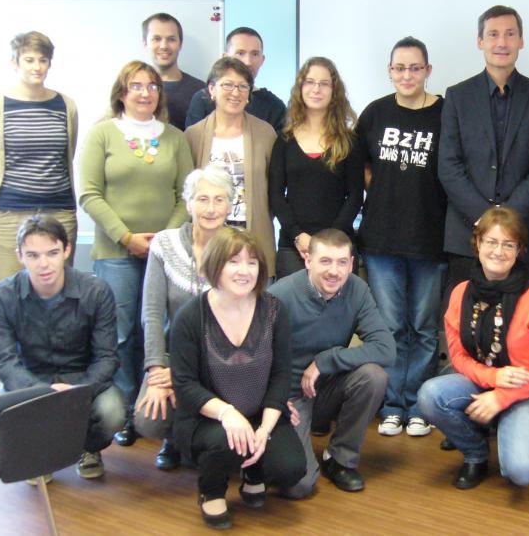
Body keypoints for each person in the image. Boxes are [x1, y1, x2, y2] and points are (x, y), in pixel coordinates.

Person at [78, 60, 194, 448]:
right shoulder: (102, 134)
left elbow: (185, 195)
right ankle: (129, 410)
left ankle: (164, 420)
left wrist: (162, 239)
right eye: (135, 86)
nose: (144, 93)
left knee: (162, 330)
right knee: (124, 334)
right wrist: (126, 237)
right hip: (115, 251)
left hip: (167, 251)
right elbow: (89, 194)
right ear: (121, 92)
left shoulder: (175, 138)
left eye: (151, 86)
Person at [419, 207, 529, 490]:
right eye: (491, 242)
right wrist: (494, 380)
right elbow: (458, 355)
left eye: (508, 244)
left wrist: (501, 397)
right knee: (430, 395)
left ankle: (511, 426)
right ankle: (476, 453)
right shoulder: (461, 293)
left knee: (520, 472)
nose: (499, 251)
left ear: (519, 250)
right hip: (482, 382)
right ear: (478, 244)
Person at [170, 227, 306, 530]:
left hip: (260, 412)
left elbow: (282, 373)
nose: (244, 271)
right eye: (234, 262)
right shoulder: (191, 317)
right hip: (208, 419)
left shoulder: (273, 309)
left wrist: (266, 428)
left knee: (291, 468)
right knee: (227, 440)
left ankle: (252, 471)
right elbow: (185, 385)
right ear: (215, 265)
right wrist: (228, 413)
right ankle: (211, 490)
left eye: (252, 262)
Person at [355, 36, 448, 438]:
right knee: (391, 327)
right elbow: (360, 166)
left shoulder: (446, 113)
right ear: (390, 71)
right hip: (381, 240)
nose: (407, 75)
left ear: (428, 70)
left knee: (425, 328)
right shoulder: (375, 112)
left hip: (430, 238)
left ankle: (417, 406)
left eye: (415, 67)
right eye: (399, 68)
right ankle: (393, 405)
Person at [0, 215, 125, 480]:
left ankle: (88, 449)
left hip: (82, 379)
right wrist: (44, 392)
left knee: (113, 413)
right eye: (33, 255)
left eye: (52, 253)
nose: (44, 264)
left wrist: (76, 393)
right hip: (32, 379)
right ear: (20, 256)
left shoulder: (96, 291)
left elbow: (107, 357)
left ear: (67, 250)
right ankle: (40, 454)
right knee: (1, 415)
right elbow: (4, 361)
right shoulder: (1, 297)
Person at [438, 4, 529, 289]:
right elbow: (449, 166)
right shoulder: (457, 96)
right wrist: (486, 219)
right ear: (480, 41)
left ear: (521, 40)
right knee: (466, 322)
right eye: (493, 34)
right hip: (467, 235)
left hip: (523, 236)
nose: (502, 42)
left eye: (510, 34)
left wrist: (507, 219)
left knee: (521, 326)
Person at [269, 228, 395, 496]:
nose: (333, 271)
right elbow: (256, 360)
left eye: (341, 262)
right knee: (298, 487)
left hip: (327, 387)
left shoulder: (357, 289)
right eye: (325, 261)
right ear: (307, 260)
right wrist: (275, 402)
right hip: (290, 398)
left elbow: (386, 349)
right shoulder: (279, 297)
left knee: (373, 376)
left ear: (351, 264)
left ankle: (340, 459)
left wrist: (326, 360)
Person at [134, 166, 234, 470]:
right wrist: (156, 371)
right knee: (147, 420)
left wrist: (179, 373)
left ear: (230, 205)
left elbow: (246, 321)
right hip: (173, 351)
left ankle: (204, 439)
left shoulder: (239, 247)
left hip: (224, 358)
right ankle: (175, 438)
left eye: (220, 199)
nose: (211, 208)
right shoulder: (164, 244)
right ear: (188, 204)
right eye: (202, 199)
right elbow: (151, 313)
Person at [0, 31, 78, 283]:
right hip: (8, 214)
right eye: (29, 60)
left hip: (59, 212)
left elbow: (66, 155)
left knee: (60, 294)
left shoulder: (65, 105)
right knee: (9, 294)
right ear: (15, 63)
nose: (37, 67)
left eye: (43, 60)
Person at [269, 57, 363, 279]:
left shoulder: (349, 141)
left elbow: (356, 196)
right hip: (294, 247)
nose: (316, 89)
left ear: (334, 91)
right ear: (300, 88)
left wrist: (329, 240)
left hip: (337, 246)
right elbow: (275, 195)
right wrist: (298, 236)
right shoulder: (284, 140)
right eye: (309, 82)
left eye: (324, 83)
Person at [186, 57, 278, 277]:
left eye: (242, 86)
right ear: (211, 90)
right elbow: (187, 192)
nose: (235, 93)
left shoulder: (266, 134)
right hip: (209, 243)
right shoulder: (193, 135)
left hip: (254, 238)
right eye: (227, 85)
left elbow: (274, 189)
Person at [186, 27, 287, 131]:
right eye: (240, 53)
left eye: (255, 54)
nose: (248, 62)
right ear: (225, 58)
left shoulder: (274, 106)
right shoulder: (203, 99)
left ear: (262, 60)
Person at [142, 12, 206, 131]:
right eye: (156, 39)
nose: (164, 46)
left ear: (180, 44)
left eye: (171, 39)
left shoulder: (201, 91)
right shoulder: (131, 90)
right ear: (145, 44)